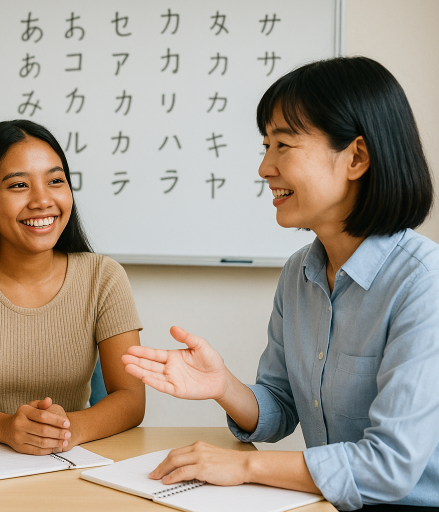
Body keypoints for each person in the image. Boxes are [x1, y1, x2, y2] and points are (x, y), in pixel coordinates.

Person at [122, 57, 439, 511]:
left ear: (357, 157)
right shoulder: (299, 273)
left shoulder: (424, 283)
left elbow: (390, 466)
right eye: (265, 146)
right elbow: (280, 408)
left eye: (283, 145)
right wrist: (222, 385)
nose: (264, 167)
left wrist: (247, 468)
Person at [0, 120, 145, 454]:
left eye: (55, 181)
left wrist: (66, 431)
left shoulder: (103, 277)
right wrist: (6, 428)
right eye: (19, 185)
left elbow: (131, 398)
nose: (42, 200)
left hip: (71, 459)